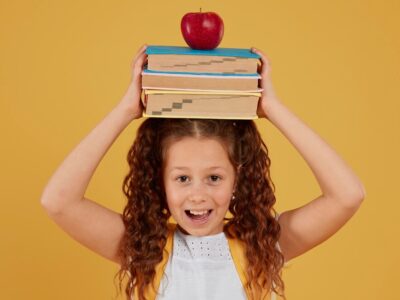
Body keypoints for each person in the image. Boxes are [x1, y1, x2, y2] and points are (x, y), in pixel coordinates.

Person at [40, 44, 366, 300]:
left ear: (237, 180)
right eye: (182, 178)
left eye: (214, 178)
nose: (198, 194)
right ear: (160, 183)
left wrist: (273, 109)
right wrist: (125, 111)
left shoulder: (262, 247)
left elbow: (347, 195)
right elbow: (59, 201)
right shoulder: (144, 249)